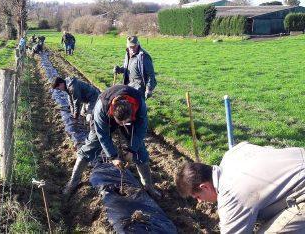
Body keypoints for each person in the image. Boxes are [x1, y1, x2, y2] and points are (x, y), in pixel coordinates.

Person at [175, 142, 305, 233]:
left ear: (205, 187)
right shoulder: (232, 154)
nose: (199, 201)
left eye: (197, 196)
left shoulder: (231, 197)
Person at [63, 85, 161, 199]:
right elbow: (103, 135)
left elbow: (141, 130)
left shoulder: (140, 105)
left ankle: (148, 187)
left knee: (140, 151)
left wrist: (132, 150)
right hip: (106, 120)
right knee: (91, 146)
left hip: (131, 121)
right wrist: (113, 156)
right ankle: (72, 183)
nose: (122, 126)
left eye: (125, 123)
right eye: (120, 123)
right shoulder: (101, 107)